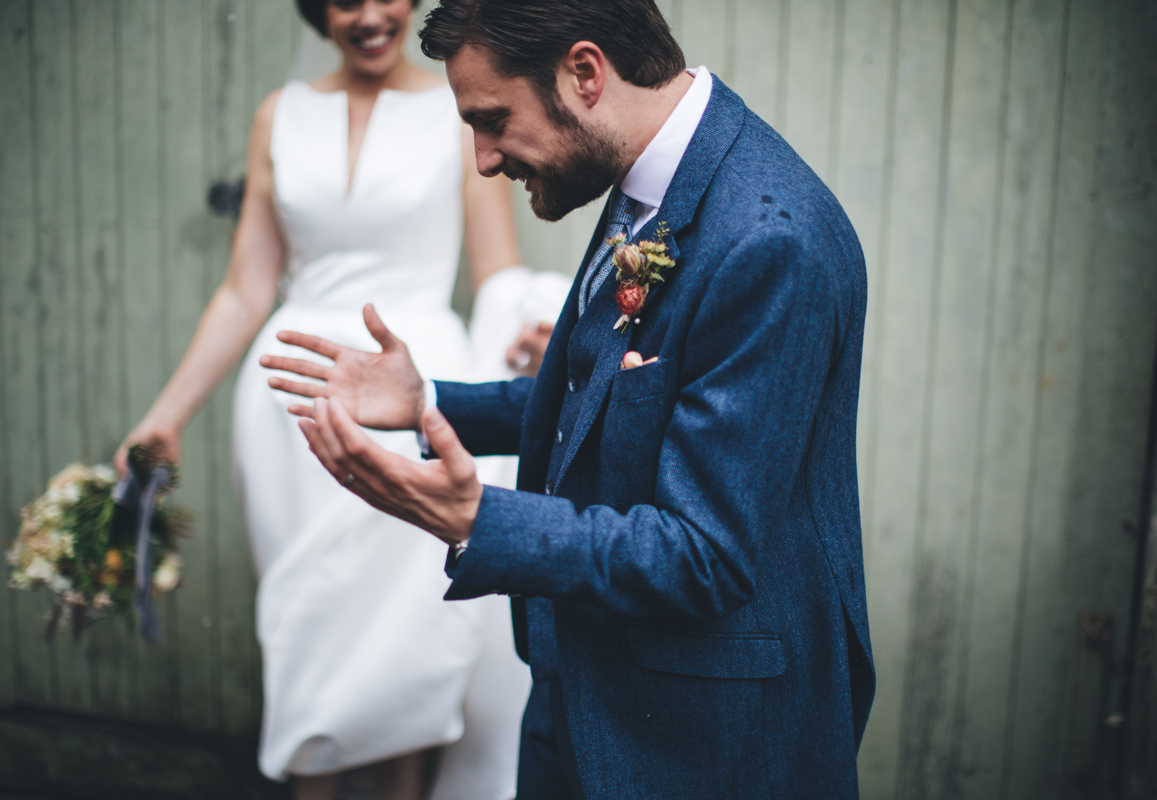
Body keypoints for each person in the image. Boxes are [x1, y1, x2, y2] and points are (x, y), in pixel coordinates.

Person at [265, 0, 876, 796]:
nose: (482, 160)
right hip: (580, 682)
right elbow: (610, 407)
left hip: (702, 735)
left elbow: (703, 557)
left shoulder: (770, 241)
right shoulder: (647, 176)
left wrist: (475, 519)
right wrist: (430, 403)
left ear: (584, 73)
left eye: (492, 119)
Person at [114, 1, 551, 797]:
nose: (369, 14)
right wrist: (165, 415)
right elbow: (246, 290)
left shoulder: (460, 113)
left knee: (405, 634)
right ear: (317, 10)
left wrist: (529, 331)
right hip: (292, 401)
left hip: (412, 393)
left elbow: (498, 271)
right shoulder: (280, 115)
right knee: (310, 627)